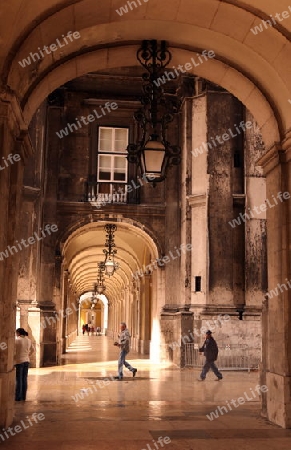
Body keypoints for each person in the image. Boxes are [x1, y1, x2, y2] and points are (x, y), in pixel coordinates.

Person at [15, 328, 34, 401]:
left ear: (18, 333)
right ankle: (23, 396)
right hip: (27, 361)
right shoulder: (28, 340)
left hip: (19, 361)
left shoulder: (17, 340)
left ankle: (18, 397)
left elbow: (13, 350)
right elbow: (33, 349)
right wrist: (28, 355)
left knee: (18, 379)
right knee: (24, 379)